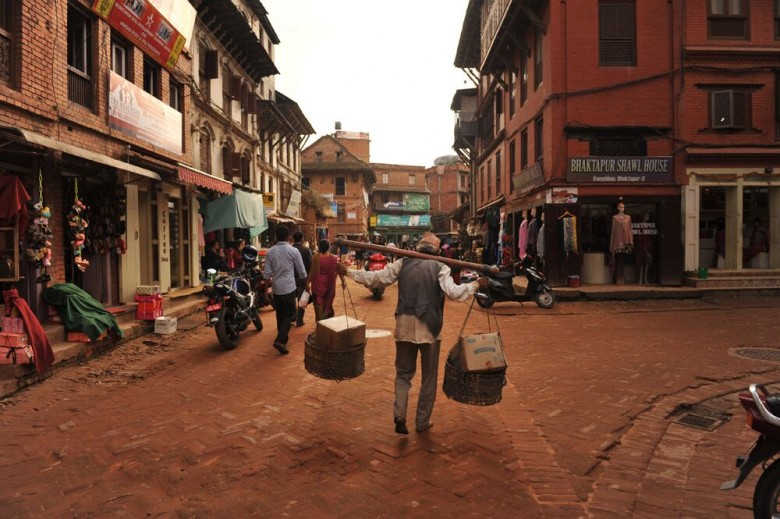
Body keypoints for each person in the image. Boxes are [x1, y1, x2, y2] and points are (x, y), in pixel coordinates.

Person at [336, 232, 488, 435]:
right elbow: (454, 293)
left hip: (404, 324)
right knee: (428, 378)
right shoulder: (440, 266)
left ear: (418, 248)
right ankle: (422, 421)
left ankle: (400, 414)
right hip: (429, 328)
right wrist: (476, 284)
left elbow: (377, 279)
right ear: (436, 250)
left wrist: (348, 272)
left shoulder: (403, 263)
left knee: (403, 374)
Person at [264, 226, 307, 355]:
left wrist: (266, 291)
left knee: (280, 315)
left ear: (276, 236)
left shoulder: (270, 252)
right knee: (290, 314)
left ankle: (282, 340)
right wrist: (305, 285)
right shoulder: (293, 251)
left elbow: (267, 274)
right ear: (289, 237)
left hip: (276, 288)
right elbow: (302, 272)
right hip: (289, 287)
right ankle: (280, 340)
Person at [307, 239, 344, 322]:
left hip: (317, 284)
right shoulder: (333, 258)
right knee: (327, 301)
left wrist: (307, 283)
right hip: (329, 284)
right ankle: (326, 320)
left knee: (318, 303)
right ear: (328, 247)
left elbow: (312, 271)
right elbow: (339, 270)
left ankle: (320, 322)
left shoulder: (316, 257)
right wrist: (343, 281)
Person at [292, 231, 312, 327]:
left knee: (291, 299)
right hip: (302, 278)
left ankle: (292, 317)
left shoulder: (290, 249)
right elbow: (310, 264)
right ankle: (299, 320)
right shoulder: (306, 250)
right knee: (302, 300)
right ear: (302, 239)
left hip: (290, 278)